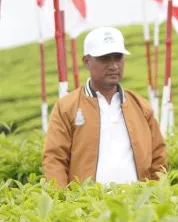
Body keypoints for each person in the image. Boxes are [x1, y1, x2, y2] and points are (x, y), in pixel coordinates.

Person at [42, 27, 165, 186]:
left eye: (118, 58)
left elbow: (158, 155)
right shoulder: (66, 107)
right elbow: (54, 159)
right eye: (105, 58)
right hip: (89, 205)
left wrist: (154, 193)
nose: (113, 66)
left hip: (136, 203)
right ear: (86, 61)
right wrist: (62, 202)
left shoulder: (140, 106)